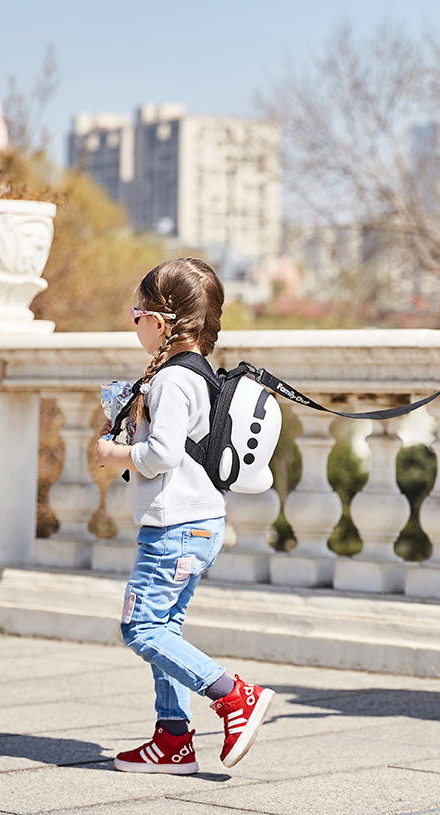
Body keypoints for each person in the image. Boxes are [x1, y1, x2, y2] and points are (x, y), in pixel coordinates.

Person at [96, 257, 274, 773]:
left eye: (137, 313)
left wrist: (116, 455)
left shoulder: (172, 381)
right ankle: (173, 738)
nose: (134, 324)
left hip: (176, 528)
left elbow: (161, 457)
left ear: (159, 320)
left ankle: (233, 695)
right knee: (165, 629)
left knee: (142, 630)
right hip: (196, 524)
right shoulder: (193, 375)